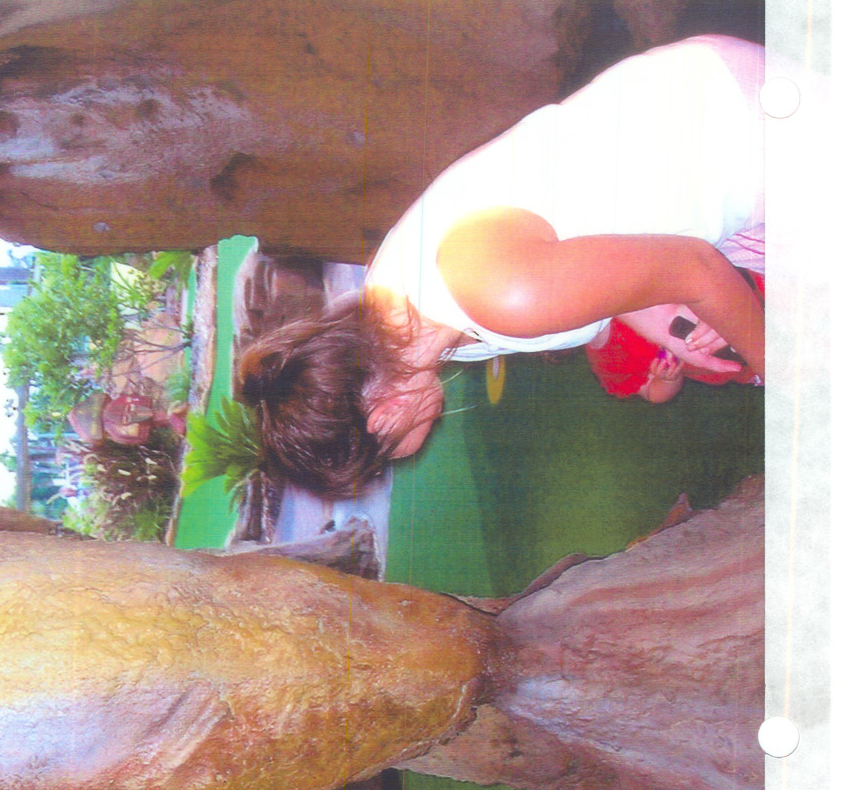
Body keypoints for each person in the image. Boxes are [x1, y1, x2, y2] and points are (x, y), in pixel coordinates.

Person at [240, 35, 767, 494]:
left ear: (382, 419)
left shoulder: (491, 297)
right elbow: (580, 249)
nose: (398, 462)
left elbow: (697, 270)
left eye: (385, 461)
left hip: (737, 132)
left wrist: (775, 371)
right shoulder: (401, 310)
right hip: (698, 141)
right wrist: (664, 320)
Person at [585, 269, 765, 403]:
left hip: (742, 299)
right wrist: (667, 380)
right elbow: (651, 392)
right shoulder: (607, 360)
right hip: (736, 366)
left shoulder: (625, 282)